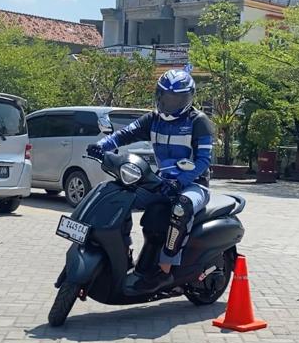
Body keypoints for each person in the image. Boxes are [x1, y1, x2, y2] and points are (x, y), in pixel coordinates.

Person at [87, 69, 214, 293]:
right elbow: (124, 134)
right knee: (120, 195)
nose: (170, 102)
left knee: (181, 207)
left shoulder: (198, 121)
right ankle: (123, 253)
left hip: (194, 185)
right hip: (163, 182)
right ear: (158, 95)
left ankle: (165, 270)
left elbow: (204, 160)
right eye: (166, 97)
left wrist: (181, 181)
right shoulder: (153, 119)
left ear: (188, 98)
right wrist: (101, 145)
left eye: (176, 99)